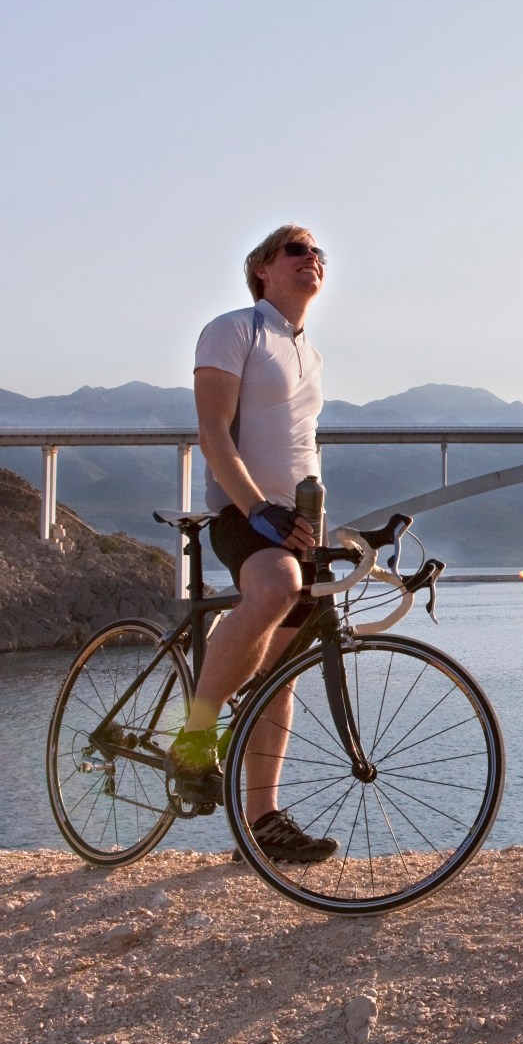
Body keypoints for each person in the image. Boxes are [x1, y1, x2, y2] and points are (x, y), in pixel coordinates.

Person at [167, 224, 339, 864]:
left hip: (295, 519)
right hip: (245, 514)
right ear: (262, 268)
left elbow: (302, 446)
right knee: (277, 588)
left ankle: (260, 821)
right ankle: (195, 732)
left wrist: (315, 523)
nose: (312, 258)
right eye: (297, 249)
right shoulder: (234, 329)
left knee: (283, 669)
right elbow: (213, 431)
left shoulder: (309, 353)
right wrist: (257, 508)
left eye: (318, 252)